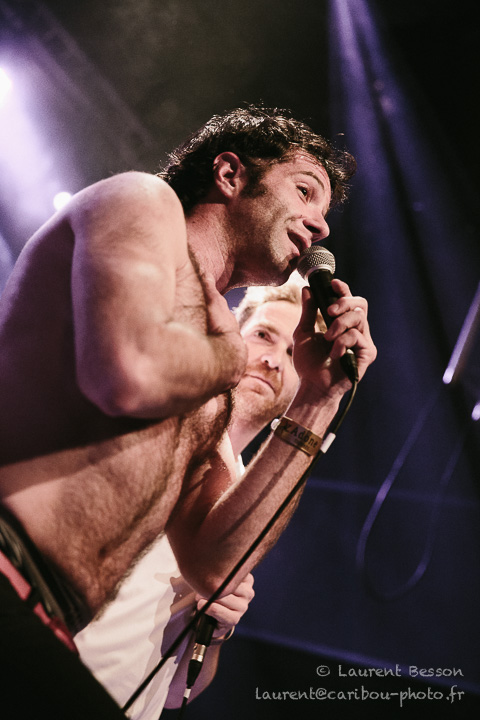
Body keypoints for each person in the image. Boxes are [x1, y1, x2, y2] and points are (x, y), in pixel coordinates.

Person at [0, 105, 376, 717]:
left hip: (49, 616)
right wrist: (234, 352)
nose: (320, 226)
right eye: (305, 192)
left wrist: (317, 399)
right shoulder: (141, 203)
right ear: (230, 174)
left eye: (325, 211)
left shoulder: (212, 375)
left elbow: (213, 567)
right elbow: (126, 374)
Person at [76, 278, 309, 718]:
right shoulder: (163, 421)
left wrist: (215, 631)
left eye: (294, 354)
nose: (272, 360)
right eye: (263, 335)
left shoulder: (250, 503)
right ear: (232, 336)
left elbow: (174, 693)